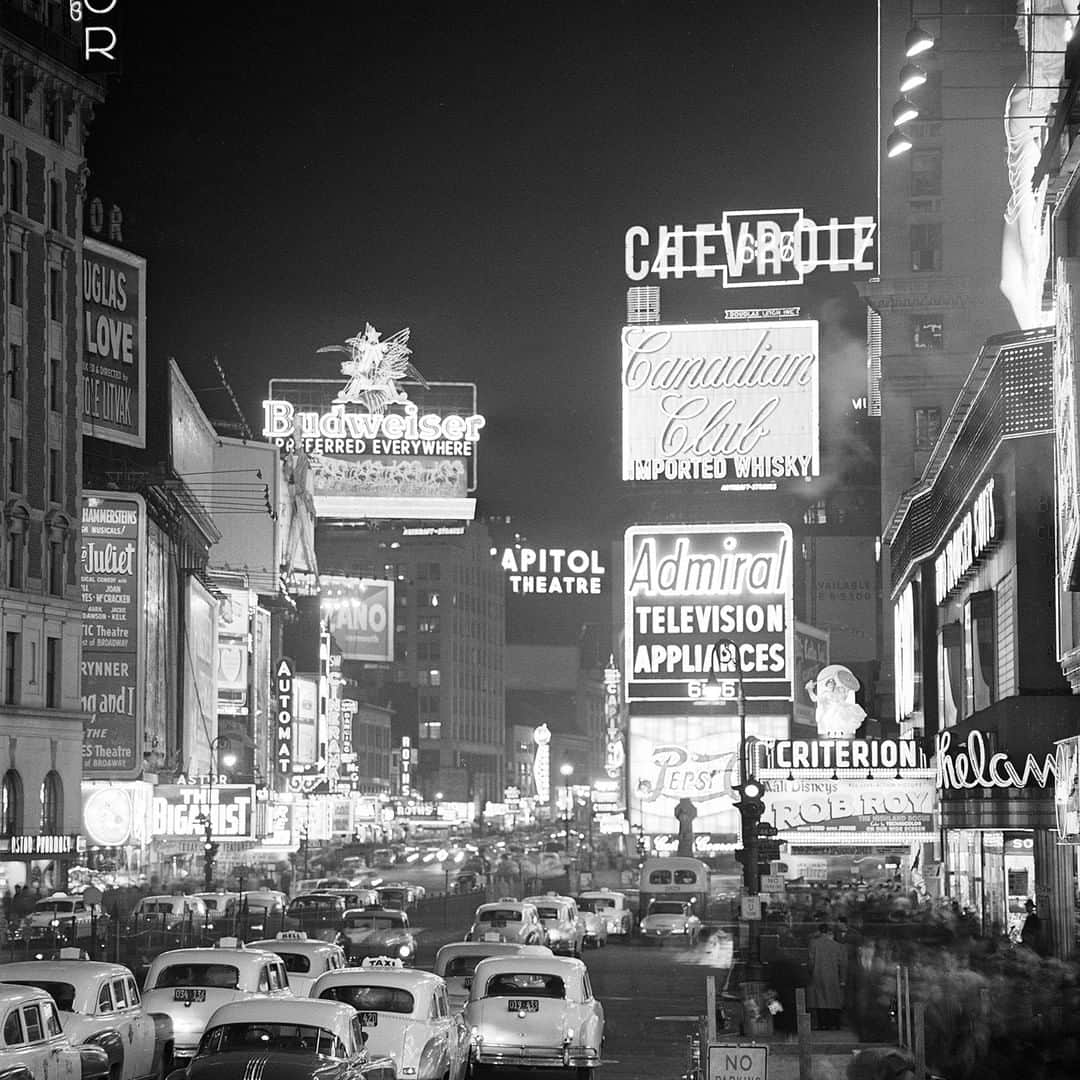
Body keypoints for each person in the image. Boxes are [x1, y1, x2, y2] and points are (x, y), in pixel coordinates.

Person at [807, 922, 847, 1030]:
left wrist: (810, 972)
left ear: (819, 931)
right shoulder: (838, 946)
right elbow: (842, 964)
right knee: (834, 1000)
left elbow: (811, 961)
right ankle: (835, 1024)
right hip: (834, 977)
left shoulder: (813, 943)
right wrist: (842, 979)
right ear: (830, 932)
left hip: (818, 975)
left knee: (820, 1000)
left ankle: (822, 1024)